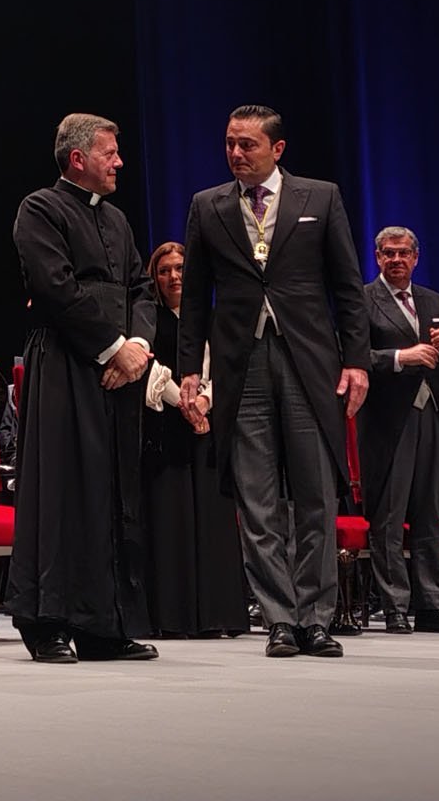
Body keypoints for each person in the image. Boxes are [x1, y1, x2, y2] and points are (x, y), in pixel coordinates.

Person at [177, 104, 370, 660]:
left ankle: (316, 618)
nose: (237, 154)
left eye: (248, 145)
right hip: (242, 366)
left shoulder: (321, 197)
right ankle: (280, 618)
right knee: (257, 501)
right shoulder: (207, 205)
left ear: (277, 149)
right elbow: (194, 298)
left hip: (309, 362)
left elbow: (347, 287)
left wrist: (356, 361)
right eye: (230, 144)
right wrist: (191, 370)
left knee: (315, 495)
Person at [7, 112, 157, 664]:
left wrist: (137, 349)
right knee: (63, 490)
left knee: (114, 492)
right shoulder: (40, 208)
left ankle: (103, 625)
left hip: (121, 368)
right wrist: (112, 346)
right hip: (68, 362)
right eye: (110, 153)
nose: (119, 162)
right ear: (78, 159)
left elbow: (142, 288)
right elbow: (53, 287)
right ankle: (47, 622)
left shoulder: (118, 219)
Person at [358, 226, 439, 633]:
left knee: (430, 513)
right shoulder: (362, 298)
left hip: (433, 414)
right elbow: (350, 356)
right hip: (388, 418)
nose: (396, 260)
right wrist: (400, 356)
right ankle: (394, 606)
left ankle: (431, 605)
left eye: (403, 253)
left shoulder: (433, 300)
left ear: (416, 257)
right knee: (389, 515)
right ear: (377, 257)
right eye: (388, 253)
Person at [139, 240, 248, 639]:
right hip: (166, 427)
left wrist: (204, 401)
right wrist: (184, 404)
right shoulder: (148, 316)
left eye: (181, 268)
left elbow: (231, 366)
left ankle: (216, 616)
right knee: (172, 520)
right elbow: (148, 368)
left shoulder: (213, 318)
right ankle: (174, 617)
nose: (173, 277)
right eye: (165, 270)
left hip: (209, 425)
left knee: (212, 521)